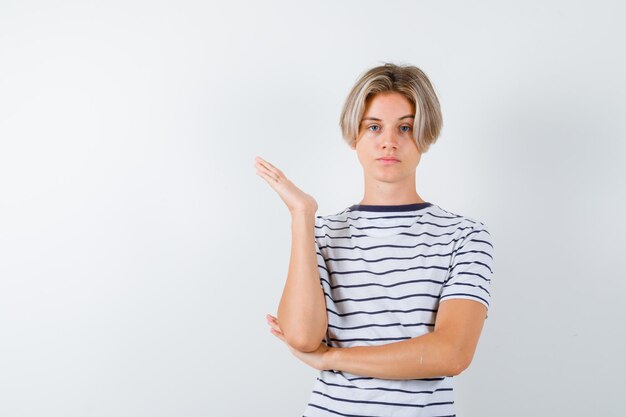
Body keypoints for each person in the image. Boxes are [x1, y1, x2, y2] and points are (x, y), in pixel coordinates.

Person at [254, 62, 494, 417]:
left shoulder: (465, 237)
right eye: (374, 127)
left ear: (426, 136)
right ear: (354, 135)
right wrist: (302, 216)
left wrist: (332, 357)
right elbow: (303, 338)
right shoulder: (320, 233)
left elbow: (452, 354)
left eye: (406, 127)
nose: (388, 141)